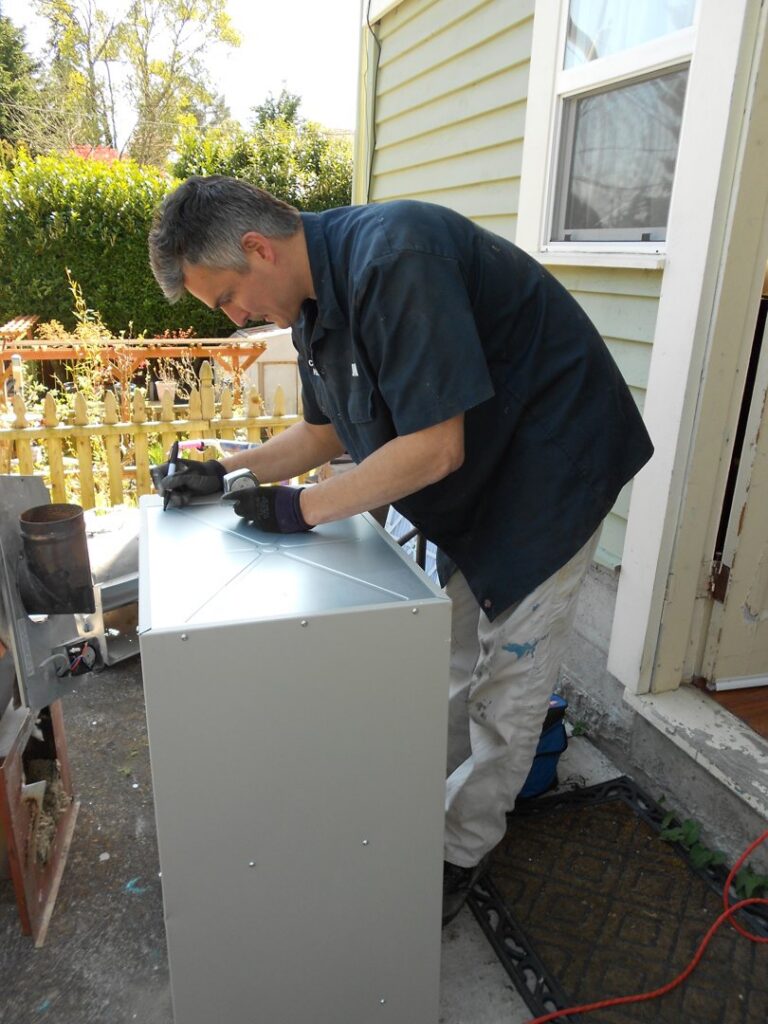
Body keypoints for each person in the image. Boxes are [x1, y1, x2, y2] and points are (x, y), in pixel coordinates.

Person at [148, 175, 653, 926]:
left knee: (505, 690)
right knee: (447, 657)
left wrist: (301, 508)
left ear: (258, 248)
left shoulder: (395, 259)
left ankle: (458, 852)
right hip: (479, 480)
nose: (234, 318)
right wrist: (223, 471)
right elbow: (325, 435)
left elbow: (435, 447)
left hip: (552, 469)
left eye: (225, 297)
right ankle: (424, 808)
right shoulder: (312, 312)